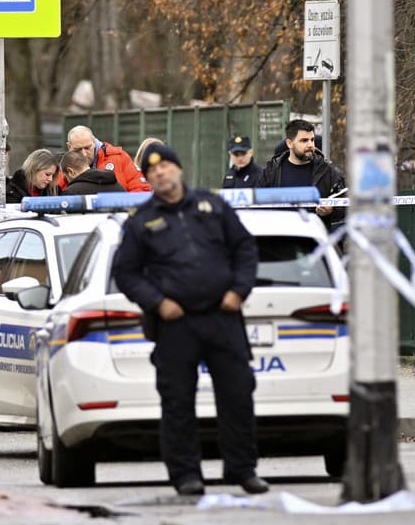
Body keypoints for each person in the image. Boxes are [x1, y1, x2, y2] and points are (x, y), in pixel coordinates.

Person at [111, 143, 268, 497]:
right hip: (175, 324)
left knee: (238, 393)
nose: (160, 173)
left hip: (222, 316)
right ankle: (186, 475)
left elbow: (244, 248)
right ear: (148, 178)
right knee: (178, 400)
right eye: (153, 171)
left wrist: (238, 291)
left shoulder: (212, 205)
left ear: (178, 169)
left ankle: (242, 469)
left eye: (165, 166)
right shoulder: (141, 221)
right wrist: (157, 302)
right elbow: (126, 273)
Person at [258, 119, 346, 232]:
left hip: (314, 243)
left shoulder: (328, 172)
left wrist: (331, 210)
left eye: (312, 140)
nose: (310, 145)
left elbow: (345, 207)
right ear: (289, 143)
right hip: (278, 242)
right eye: (304, 140)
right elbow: (258, 206)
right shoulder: (271, 172)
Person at [60, 125, 151, 192]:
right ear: (69, 147)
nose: (84, 154)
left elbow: (141, 189)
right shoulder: (63, 167)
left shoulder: (119, 157)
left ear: (94, 142)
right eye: (78, 149)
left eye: (87, 148)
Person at [59, 150, 126, 195]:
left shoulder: (70, 193)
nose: (67, 180)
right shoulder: (118, 187)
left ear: (71, 171)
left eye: (66, 177)